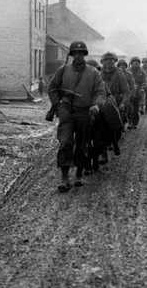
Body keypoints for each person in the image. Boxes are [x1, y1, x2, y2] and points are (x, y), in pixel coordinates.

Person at [48, 41, 105, 193]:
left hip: (85, 112)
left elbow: (100, 92)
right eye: (75, 53)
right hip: (66, 111)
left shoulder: (93, 73)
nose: (78, 56)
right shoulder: (63, 70)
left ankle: (79, 174)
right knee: (65, 143)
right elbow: (52, 88)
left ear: (85, 55)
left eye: (81, 53)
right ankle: (64, 178)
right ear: (72, 55)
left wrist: (96, 105)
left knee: (82, 144)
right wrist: (57, 105)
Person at [93, 52, 130, 167]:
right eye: (106, 61)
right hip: (100, 102)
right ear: (102, 62)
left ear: (114, 62)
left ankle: (114, 142)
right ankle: (103, 152)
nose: (108, 63)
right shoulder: (98, 74)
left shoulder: (120, 74)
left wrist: (123, 103)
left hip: (116, 102)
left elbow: (126, 91)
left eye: (111, 61)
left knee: (115, 127)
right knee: (99, 127)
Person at [128, 57, 147, 129]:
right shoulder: (128, 71)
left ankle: (135, 123)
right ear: (131, 63)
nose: (136, 64)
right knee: (129, 108)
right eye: (134, 63)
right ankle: (129, 122)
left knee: (135, 109)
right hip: (129, 92)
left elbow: (145, 81)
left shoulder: (142, 72)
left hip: (138, 92)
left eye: (137, 63)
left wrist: (142, 87)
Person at [117, 59, 135, 129]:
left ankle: (130, 122)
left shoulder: (129, 74)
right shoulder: (115, 74)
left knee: (129, 109)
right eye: (120, 65)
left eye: (123, 65)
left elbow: (132, 85)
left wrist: (131, 94)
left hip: (127, 94)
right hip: (117, 95)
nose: (122, 67)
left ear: (126, 66)